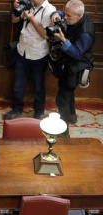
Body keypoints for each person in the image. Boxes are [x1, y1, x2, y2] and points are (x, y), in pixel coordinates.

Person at [4, 0, 56, 120]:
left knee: (38, 86)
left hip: (38, 54)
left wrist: (31, 18)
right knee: (18, 86)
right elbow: (14, 20)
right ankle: (17, 110)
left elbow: (45, 35)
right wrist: (16, 9)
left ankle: (39, 112)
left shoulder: (50, 10)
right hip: (22, 51)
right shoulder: (28, 4)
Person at [50, 0, 94, 136]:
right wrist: (56, 13)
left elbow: (76, 53)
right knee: (69, 91)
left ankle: (63, 133)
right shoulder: (77, 15)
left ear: (79, 16)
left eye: (68, 16)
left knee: (62, 99)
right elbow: (62, 13)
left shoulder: (86, 33)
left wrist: (63, 40)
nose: (65, 18)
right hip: (68, 65)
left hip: (76, 67)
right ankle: (72, 115)